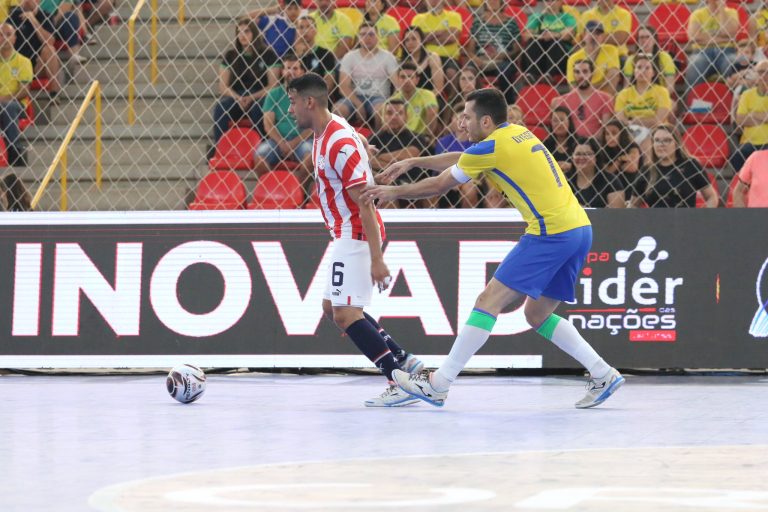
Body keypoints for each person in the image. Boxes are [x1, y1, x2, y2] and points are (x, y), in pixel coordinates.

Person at [364, 88, 625, 409]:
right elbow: (465, 158)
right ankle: (603, 372)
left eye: (468, 116)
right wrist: (414, 161)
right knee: (536, 313)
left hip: (550, 231)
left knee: (488, 301)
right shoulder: (517, 133)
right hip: (579, 228)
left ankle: (439, 383)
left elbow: (440, 184)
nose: (463, 121)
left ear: (485, 121)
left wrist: (392, 191)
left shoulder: (490, 147)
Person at [286, 72, 425, 407]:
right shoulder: (329, 129)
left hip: (356, 232)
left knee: (345, 314)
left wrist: (377, 259)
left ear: (309, 102)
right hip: (345, 233)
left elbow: (365, 203)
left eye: (292, 102)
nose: (290, 110)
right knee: (332, 306)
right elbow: (350, 135)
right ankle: (403, 359)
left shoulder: (338, 143)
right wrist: (363, 143)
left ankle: (399, 381)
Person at [210, 18, 280, 147]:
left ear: (254, 32)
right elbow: (222, 86)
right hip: (237, 97)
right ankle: (220, 147)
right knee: (221, 108)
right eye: (239, 32)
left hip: (261, 96)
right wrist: (238, 98)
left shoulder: (268, 54)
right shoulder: (231, 55)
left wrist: (251, 98)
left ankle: (262, 146)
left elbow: (273, 85)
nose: (242, 35)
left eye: (246, 31)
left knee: (257, 108)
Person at [253, 53, 313, 181]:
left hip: (302, 141)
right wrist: (282, 143)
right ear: (282, 71)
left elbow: (313, 126)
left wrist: (293, 143)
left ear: (303, 72)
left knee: (311, 159)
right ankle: (272, 189)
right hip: (277, 140)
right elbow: (268, 124)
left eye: (295, 69)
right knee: (259, 158)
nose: (291, 72)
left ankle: (297, 191)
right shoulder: (274, 94)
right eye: (287, 68)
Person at [334, 22, 398, 125]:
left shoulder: (388, 57)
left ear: (378, 37)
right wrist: (358, 104)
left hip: (379, 97)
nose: (367, 37)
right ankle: (340, 139)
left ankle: (379, 139)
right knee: (338, 109)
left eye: (371, 34)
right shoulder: (349, 57)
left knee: (382, 111)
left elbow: (398, 85)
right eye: (363, 34)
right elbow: (343, 86)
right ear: (358, 38)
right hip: (355, 96)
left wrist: (392, 102)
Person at [642, 124, 718, 208]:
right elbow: (634, 204)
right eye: (657, 140)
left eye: (667, 140)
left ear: (676, 143)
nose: (661, 144)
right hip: (654, 220)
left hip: (685, 219)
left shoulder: (691, 165)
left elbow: (711, 197)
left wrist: (701, 217)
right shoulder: (646, 169)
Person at [615, 54, 672, 152]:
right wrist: (637, 122)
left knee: (648, 142)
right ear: (634, 71)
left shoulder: (662, 92)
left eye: (647, 68)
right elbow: (621, 121)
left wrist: (634, 120)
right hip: (630, 132)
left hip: (655, 132)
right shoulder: (623, 94)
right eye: (639, 67)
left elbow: (657, 121)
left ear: (653, 72)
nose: (642, 71)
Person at [7, 0, 61, 95]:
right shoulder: (14, 17)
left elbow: (50, 41)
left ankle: (54, 93)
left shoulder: (46, 16)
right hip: (19, 65)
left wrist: (33, 20)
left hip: (37, 66)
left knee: (50, 50)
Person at [552, 59, 613, 139]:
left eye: (585, 71)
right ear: (573, 75)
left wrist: (589, 142)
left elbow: (605, 128)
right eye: (577, 72)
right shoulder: (562, 100)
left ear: (592, 74)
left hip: (596, 144)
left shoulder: (605, 98)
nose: (581, 76)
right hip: (570, 144)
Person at [686, 0, 740, 89]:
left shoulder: (731, 12)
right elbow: (693, 37)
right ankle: (693, 101)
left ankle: (735, 101)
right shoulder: (697, 14)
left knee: (733, 62)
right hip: (701, 52)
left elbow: (730, 32)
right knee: (694, 64)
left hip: (727, 52)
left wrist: (721, 9)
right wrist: (723, 37)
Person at [0, 23, 32, 167]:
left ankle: (15, 150)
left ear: (14, 38)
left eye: (8, 34)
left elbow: (24, 90)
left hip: (16, 105)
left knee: (7, 107)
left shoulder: (24, 61)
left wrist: (4, 99)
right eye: (1, 35)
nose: (4, 38)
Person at [521, 0, 577, 81]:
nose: (549, 3)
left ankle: (549, 75)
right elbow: (525, 36)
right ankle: (532, 75)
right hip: (539, 57)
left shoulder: (567, 17)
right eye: (547, 0)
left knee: (555, 42)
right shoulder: (537, 16)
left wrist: (554, 35)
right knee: (533, 41)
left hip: (559, 59)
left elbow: (569, 34)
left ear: (560, 2)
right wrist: (540, 36)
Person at [410, 0, 462, 80]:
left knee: (451, 72)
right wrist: (440, 32)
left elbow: (451, 38)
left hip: (448, 57)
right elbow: (414, 39)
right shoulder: (418, 18)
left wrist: (425, 37)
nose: (434, 1)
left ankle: (452, 93)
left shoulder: (454, 16)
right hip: (424, 57)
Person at [568, 137, 626, 207]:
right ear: (572, 157)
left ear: (596, 157)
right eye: (578, 154)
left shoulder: (611, 181)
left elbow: (617, 214)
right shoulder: (564, 180)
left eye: (588, 154)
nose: (582, 157)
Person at [566, 21, 620, 95]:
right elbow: (573, 87)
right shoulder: (573, 58)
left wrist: (587, 88)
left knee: (614, 77)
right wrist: (602, 82)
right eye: (591, 32)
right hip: (583, 97)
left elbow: (613, 74)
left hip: (603, 94)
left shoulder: (611, 50)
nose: (595, 36)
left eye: (598, 34)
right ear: (584, 35)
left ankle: (603, 101)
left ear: (603, 37)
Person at [389, 62, 439, 140]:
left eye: (410, 77)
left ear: (417, 80)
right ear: (398, 79)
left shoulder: (428, 95)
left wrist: (428, 136)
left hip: (420, 137)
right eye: (403, 77)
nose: (407, 80)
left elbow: (432, 113)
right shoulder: (393, 100)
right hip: (398, 137)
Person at [733, 60, 768, 171]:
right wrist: (764, 117)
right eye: (761, 71)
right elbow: (740, 120)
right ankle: (745, 185)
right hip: (749, 142)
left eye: (767, 72)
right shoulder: (747, 94)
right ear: (756, 74)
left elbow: (746, 118)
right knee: (737, 156)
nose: (765, 75)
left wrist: (751, 114)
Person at [624, 26, 677, 93]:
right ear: (637, 41)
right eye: (641, 37)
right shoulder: (631, 60)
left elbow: (670, 87)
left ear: (654, 40)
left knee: (673, 103)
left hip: (659, 95)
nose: (644, 40)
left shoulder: (665, 57)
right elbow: (627, 87)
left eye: (648, 37)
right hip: (637, 97)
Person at [293, 15, 337, 93]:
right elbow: (287, 80)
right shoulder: (290, 54)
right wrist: (298, 56)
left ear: (315, 30)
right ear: (296, 31)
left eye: (309, 27)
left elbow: (329, 82)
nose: (305, 31)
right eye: (301, 27)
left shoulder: (326, 54)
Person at [399, 26, 445, 93]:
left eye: (414, 39)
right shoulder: (402, 61)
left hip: (431, 99)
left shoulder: (432, 57)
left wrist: (423, 101)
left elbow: (438, 88)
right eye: (407, 40)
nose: (410, 43)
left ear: (422, 41)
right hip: (408, 100)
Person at [544, 106, 578, 175]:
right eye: (555, 120)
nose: (559, 123)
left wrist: (571, 166)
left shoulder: (578, 144)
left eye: (562, 120)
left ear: (569, 122)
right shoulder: (545, 145)